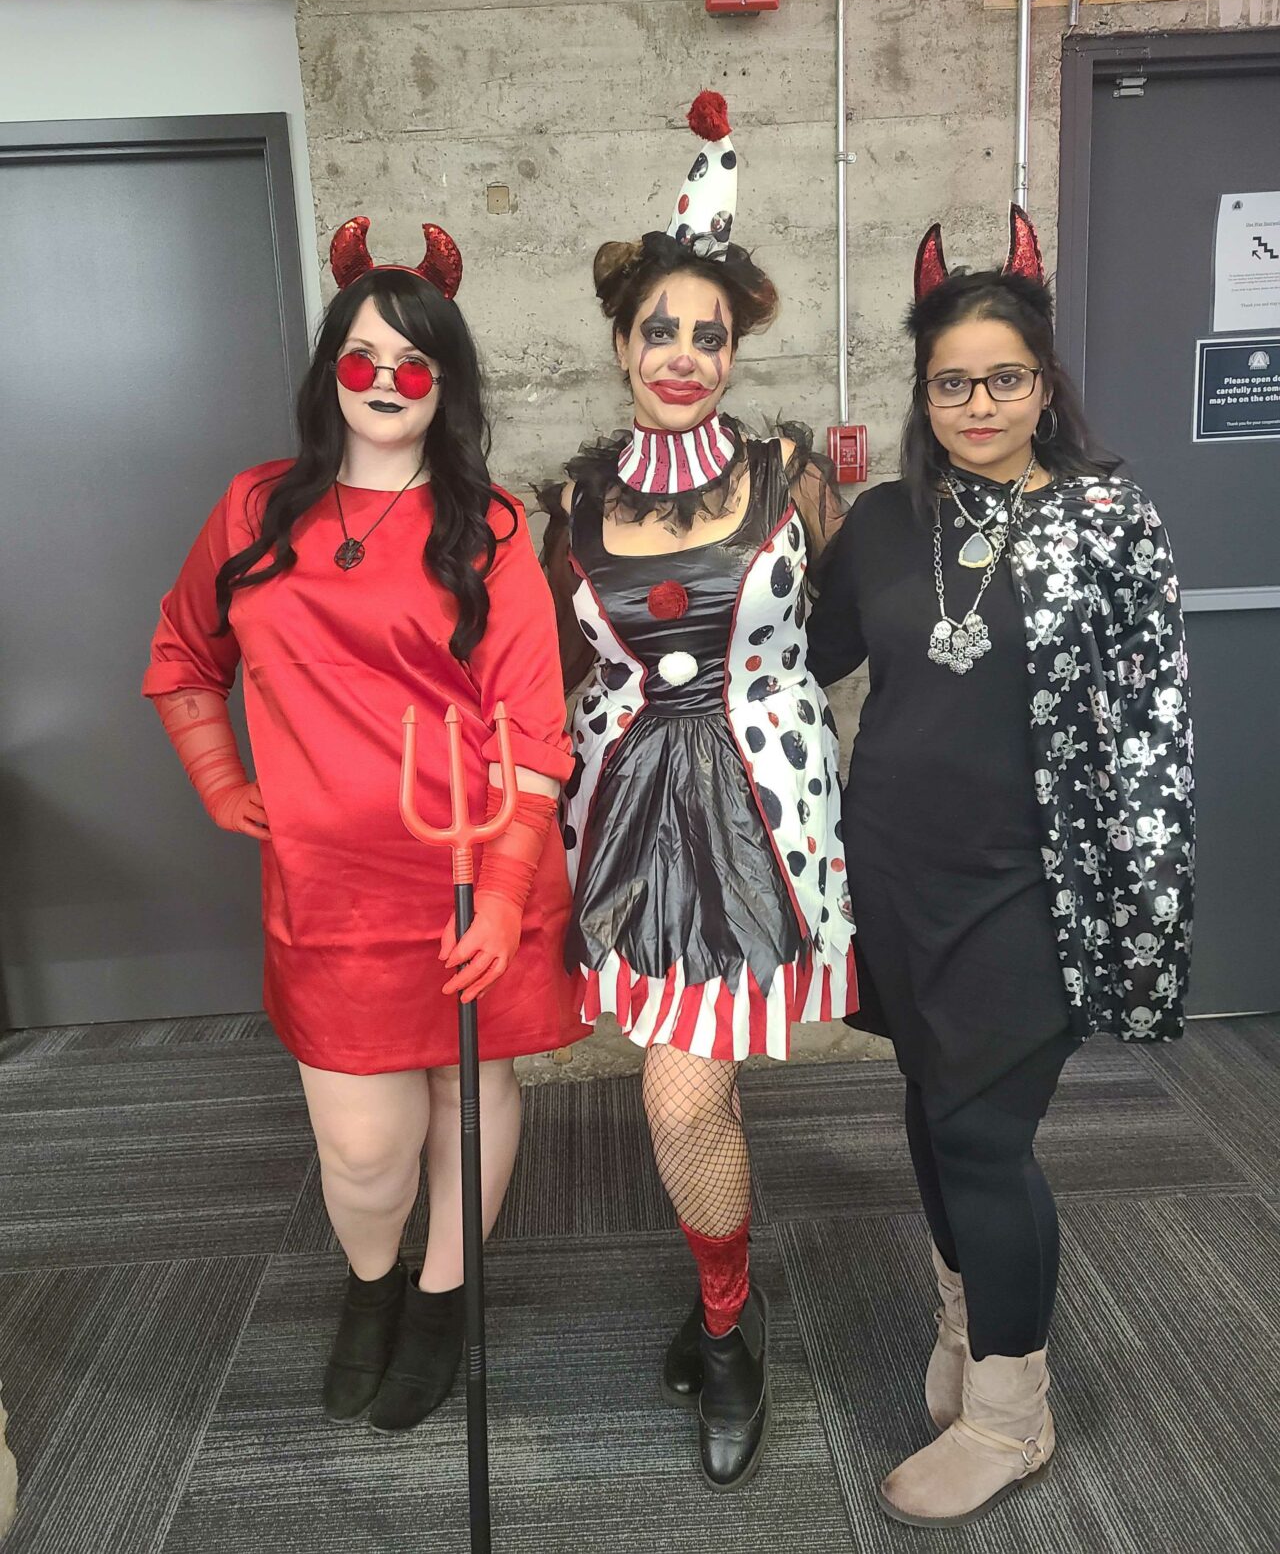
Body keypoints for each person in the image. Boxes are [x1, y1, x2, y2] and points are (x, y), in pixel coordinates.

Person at [144, 215, 587, 1432]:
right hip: (331, 890)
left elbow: (534, 729)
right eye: (362, 357)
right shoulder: (252, 511)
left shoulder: (487, 526)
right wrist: (218, 776)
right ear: (326, 369)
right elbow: (186, 655)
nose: (386, 383)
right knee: (362, 1149)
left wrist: (503, 893)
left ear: (444, 384)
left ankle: (444, 1294)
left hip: (470, 873)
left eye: (414, 363)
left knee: (467, 1094)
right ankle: (371, 1282)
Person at [808, 207, 1194, 1528]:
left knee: (983, 1129)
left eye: (1006, 376)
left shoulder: (1107, 517)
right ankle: (969, 1315)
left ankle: (1009, 1412)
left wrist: (1141, 914)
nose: (980, 402)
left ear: (1046, 381)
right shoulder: (881, 522)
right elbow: (799, 669)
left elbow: (1152, 723)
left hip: (1037, 883)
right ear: (923, 391)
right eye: (952, 380)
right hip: (894, 873)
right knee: (928, 1103)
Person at [541, 93, 856, 1492]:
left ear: (735, 348)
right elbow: (531, 671)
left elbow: (857, 633)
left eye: (707, 331)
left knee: (679, 1101)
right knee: (678, 1097)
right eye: (658, 327)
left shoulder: (792, 480)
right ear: (620, 342)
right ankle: (721, 1292)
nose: (681, 351)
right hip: (624, 829)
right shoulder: (567, 504)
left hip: (756, 828)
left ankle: (731, 1330)